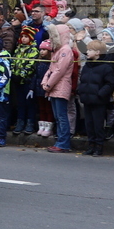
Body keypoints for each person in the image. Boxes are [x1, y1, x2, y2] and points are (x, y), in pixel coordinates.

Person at [77, 40, 114, 157]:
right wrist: (81, 91)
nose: (87, 52)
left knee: (98, 124)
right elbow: (83, 80)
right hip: (87, 98)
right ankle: (91, 144)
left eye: (90, 50)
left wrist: (100, 94)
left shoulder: (106, 67)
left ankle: (99, 146)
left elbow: (109, 84)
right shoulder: (87, 66)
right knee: (89, 124)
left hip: (99, 101)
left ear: (98, 52)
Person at [41, 24, 75, 152]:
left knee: (61, 116)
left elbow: (60, 70)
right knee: (57, 116)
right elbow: (51, 69)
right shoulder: (57, 50)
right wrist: (45, 82)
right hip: (54, 87)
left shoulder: (65, 50)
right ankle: (60, 141)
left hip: (60, 87)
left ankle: (63, 142)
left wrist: (48, 84)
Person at [11, 26, 40, 135]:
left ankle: (30, 123)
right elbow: (13, 61)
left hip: (27, 81)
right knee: (20, 103)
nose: (23, 39)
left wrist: (22, 75)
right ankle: (20, 122)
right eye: (22, 36)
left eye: (26, 37)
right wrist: (13, 74)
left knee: (30, 103)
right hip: (17, 81)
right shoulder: (18, 49)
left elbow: (31, 64)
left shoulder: (33, 50)